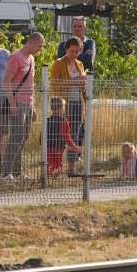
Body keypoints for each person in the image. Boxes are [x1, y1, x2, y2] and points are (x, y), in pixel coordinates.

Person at [1, 32, 45, 181]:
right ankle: (6, 173)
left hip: (28, 103)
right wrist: (12, 104)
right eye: (39, 46)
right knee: (15, 137)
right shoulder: (16, 57)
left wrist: (32, 107)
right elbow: (6, 82)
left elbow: (30, 85)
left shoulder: (31, 59)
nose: (40, 49)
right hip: (17, 102)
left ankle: (17, 172)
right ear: (31, 43)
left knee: (23, 137)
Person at [50, 36, 87, 174]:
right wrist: (75, 81)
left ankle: (71, 168)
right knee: (61, 135)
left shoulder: (80, 64)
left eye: (77, 51)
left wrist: (83, 84)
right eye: (72, 51)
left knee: (75, 135)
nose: (74, 54)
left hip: (77, 103)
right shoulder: (58, 63)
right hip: (63, 104)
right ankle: (55, 167)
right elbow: (54, 84)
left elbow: (81, 86)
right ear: (66, 49)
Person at [44, 97, 82, 177]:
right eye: (64, 107)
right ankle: (56, 177)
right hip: (59, 148)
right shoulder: (64, 121)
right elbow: (66, 137)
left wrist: (41, 143)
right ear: (61, 108)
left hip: (47, 148)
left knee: (49, 164)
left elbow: (42, 135)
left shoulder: (46, 120)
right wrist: (74, 147)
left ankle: (48, 178)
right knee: (58, 165)